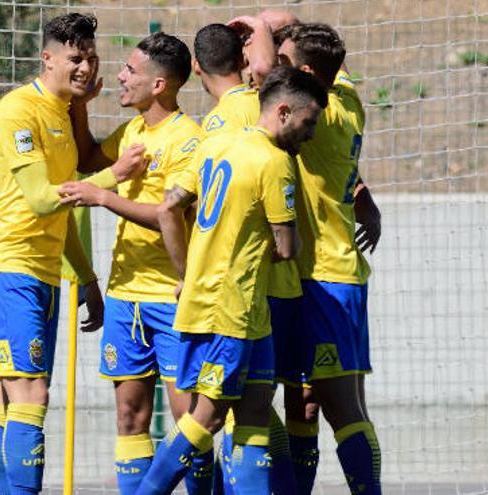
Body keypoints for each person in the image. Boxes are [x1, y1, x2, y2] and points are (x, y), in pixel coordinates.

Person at [0, 13, 147, 495]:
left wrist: (86, 279)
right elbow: (43, 198)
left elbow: (61, 212)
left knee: (12, 403)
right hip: (8, 270)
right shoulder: (18, 110)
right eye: (74, 58)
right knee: (32, 395)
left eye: (90, 58)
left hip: (44, 273)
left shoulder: (63, 114)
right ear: (46, 58)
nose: (85, 67)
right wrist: (116, 177)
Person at [139, 65, 328, 495]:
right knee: (207, 416)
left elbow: (170, 207)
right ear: (283, 111)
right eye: (308, 121)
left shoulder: (216, 143)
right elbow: (285, 249)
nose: (311, 133)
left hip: (241, 307)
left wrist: (188, 273)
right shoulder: (275, 161)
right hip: (231, 307)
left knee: (257, 412)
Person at [58, 33, 207, 494]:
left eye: (130, 70)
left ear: (159, 84)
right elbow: (86, 158)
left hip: (172, 297)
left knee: (188, 419)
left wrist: (103, 197)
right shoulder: (133, 131)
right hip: (126, 296)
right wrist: (80, 103)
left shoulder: (188, 139)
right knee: (130, 417)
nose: (119, 76)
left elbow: (172, 215)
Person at [276, 21, 383, 494]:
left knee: (343, 408)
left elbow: (264, 68)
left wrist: (260, 27)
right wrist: (364, 196)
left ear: (303, 73)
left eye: (285, 64)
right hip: (322, 277)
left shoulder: (325, 115)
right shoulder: (347, 93)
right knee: (302, 402)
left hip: (327, 280)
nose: (274, 68)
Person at [192, 21, 299, 494]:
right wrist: (262, 24)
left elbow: (180, 203)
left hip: (233, 288)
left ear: (196, 66)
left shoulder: (217, 122)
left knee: (216, 412)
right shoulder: (255, 106)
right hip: (263, 285)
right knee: (256, 407)